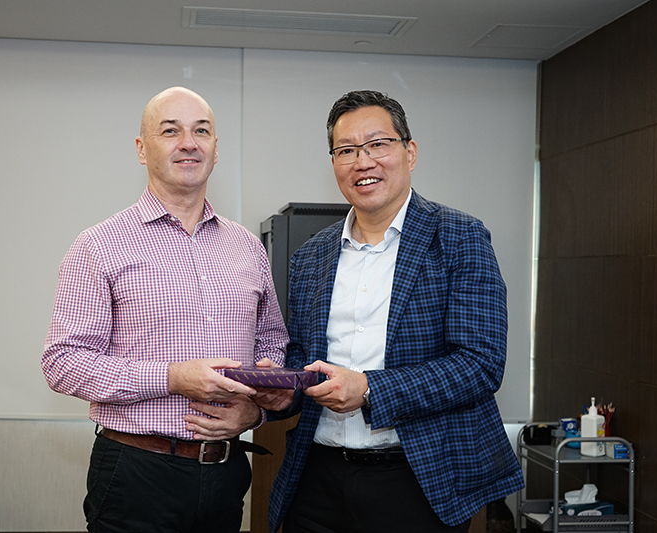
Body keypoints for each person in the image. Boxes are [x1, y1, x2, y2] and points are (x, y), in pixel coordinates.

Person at [260, 90, 524, 533]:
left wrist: (369, 391)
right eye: (346, 150)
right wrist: (283, 388)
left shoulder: (460, 237)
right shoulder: (310, 256)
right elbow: (303, 355)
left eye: (377, 144)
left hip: (419, 478)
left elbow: (480, 365)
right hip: (317, 477)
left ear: (410, 152)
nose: (362, 162)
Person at [41, 86, 288, 533]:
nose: (189, 142)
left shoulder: (247, 247)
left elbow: (272, 340)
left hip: (228, 473)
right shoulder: (99, 245)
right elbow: (62, 363)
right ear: (142, 148)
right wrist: (172, 377)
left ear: (216, 148)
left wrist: (259, 411)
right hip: (137, 472)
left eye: (202, 131)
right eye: (170, 131)